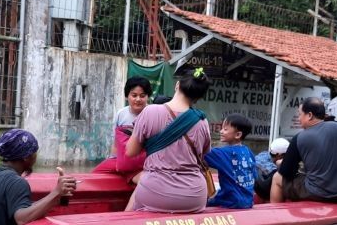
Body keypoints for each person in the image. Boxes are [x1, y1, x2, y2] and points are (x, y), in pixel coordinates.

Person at [124, 68, 212, 213]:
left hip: (155, 192)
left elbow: (131, 151)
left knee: (129, 213)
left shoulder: (150, 111)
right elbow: (204, 155)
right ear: (198, 97)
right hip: (194, 196)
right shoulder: (202, 121)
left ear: (177, 85)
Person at [271, 97, 337, 204]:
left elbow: (287, 173)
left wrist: (280, 163)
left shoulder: (298, 139)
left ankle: (274, 215)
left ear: (309, 115)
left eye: (300, 114)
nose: (299, 118)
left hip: (317, 194)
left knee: (277, 178)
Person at [92, 76, 153, 177]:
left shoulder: (153, 113)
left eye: (142, 96)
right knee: (95, 174)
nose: (138, 99)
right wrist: (114, 159)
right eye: (134, 95)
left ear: (148, 97)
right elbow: (116, 142)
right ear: (127, 96)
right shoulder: (121, 114)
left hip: (145, 162)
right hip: (123, 161)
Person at [204, 114, 256, 209]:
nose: (221, 131)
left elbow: (200, 152)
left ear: (238, 135)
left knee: (203, 203)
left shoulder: (224, 153)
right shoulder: (248, 151)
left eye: (225, 129)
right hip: (248, 200)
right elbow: (254, 174)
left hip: (231, 200)